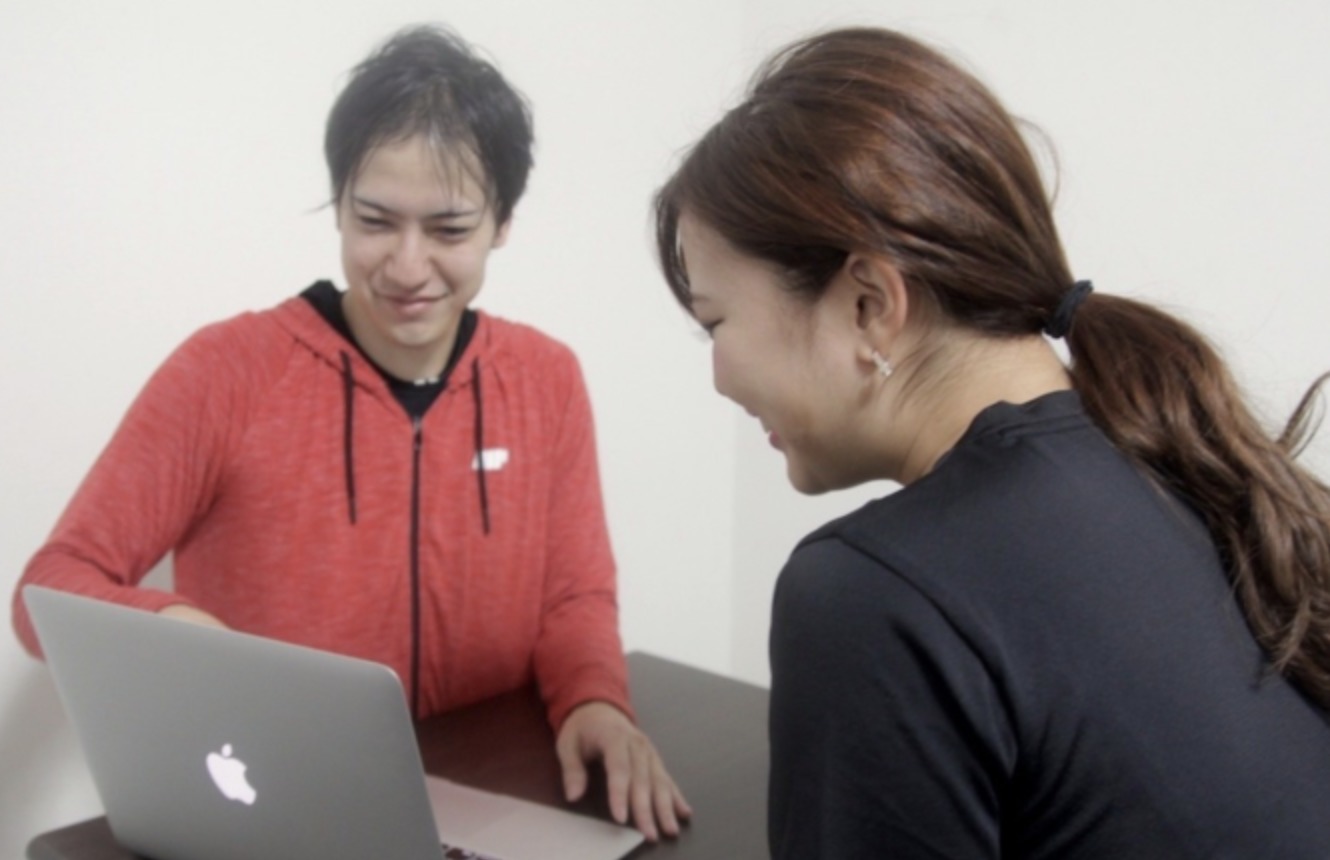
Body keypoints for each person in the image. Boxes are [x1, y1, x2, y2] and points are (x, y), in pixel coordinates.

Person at [653, 26, 1330, 859]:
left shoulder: (871, 598)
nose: (719, 377)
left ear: (869, 304)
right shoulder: (1179, 462)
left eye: (716, 322)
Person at [12, 24, 688, 840]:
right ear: (338, 204)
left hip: (493, 789)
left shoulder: (547, 378)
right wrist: (170, 628)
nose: (407, 266)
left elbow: (573, 596)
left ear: (502, 221)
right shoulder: (226, 371)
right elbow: (48, 589)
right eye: (375, 221)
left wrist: (594, 701)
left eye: (449, 230)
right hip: (279, 799)